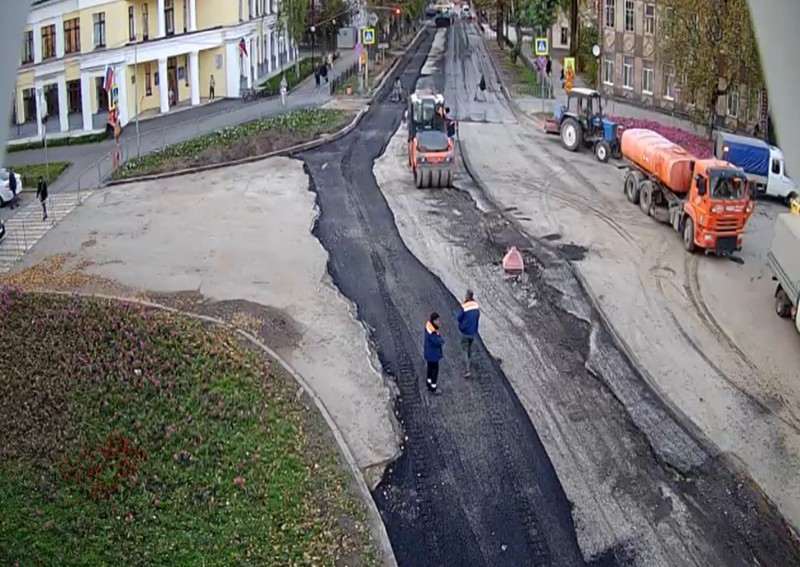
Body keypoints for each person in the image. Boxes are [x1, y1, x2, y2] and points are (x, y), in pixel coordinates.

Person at [455, 290, 480, 378]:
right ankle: (470, 361)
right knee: (469, 347)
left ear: (467, 296)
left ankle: (467, 370)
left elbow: (458, 317)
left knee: (464, 350)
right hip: (473, 332)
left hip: (465, 332)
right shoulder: (476, 306)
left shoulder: (464, 307)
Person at [423, 312, 445, 395]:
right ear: (434, 320)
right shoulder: (433, 332)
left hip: (428, 353)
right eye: (437, 320)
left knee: (429, 367)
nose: (439, 322)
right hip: (433, 355)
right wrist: (442, 340)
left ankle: (428, 381)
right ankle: (433, 387)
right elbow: (437, 342)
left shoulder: (428, 326)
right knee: (435, 371)